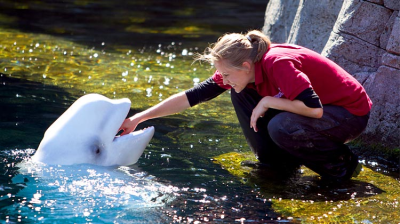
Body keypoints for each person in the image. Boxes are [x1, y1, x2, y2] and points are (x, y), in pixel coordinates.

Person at [119, 30, 372, 183]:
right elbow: (192, 96)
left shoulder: (279, 63)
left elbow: (314, 110)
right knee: (239, 93)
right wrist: (139, 118)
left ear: (246, 66)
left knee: (281, 126)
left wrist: (269, 101)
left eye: (226, 74)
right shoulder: (240, 71)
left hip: (348, 114)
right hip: (316, 111)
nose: (223, 80)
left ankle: (342, 166)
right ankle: (276, 163)